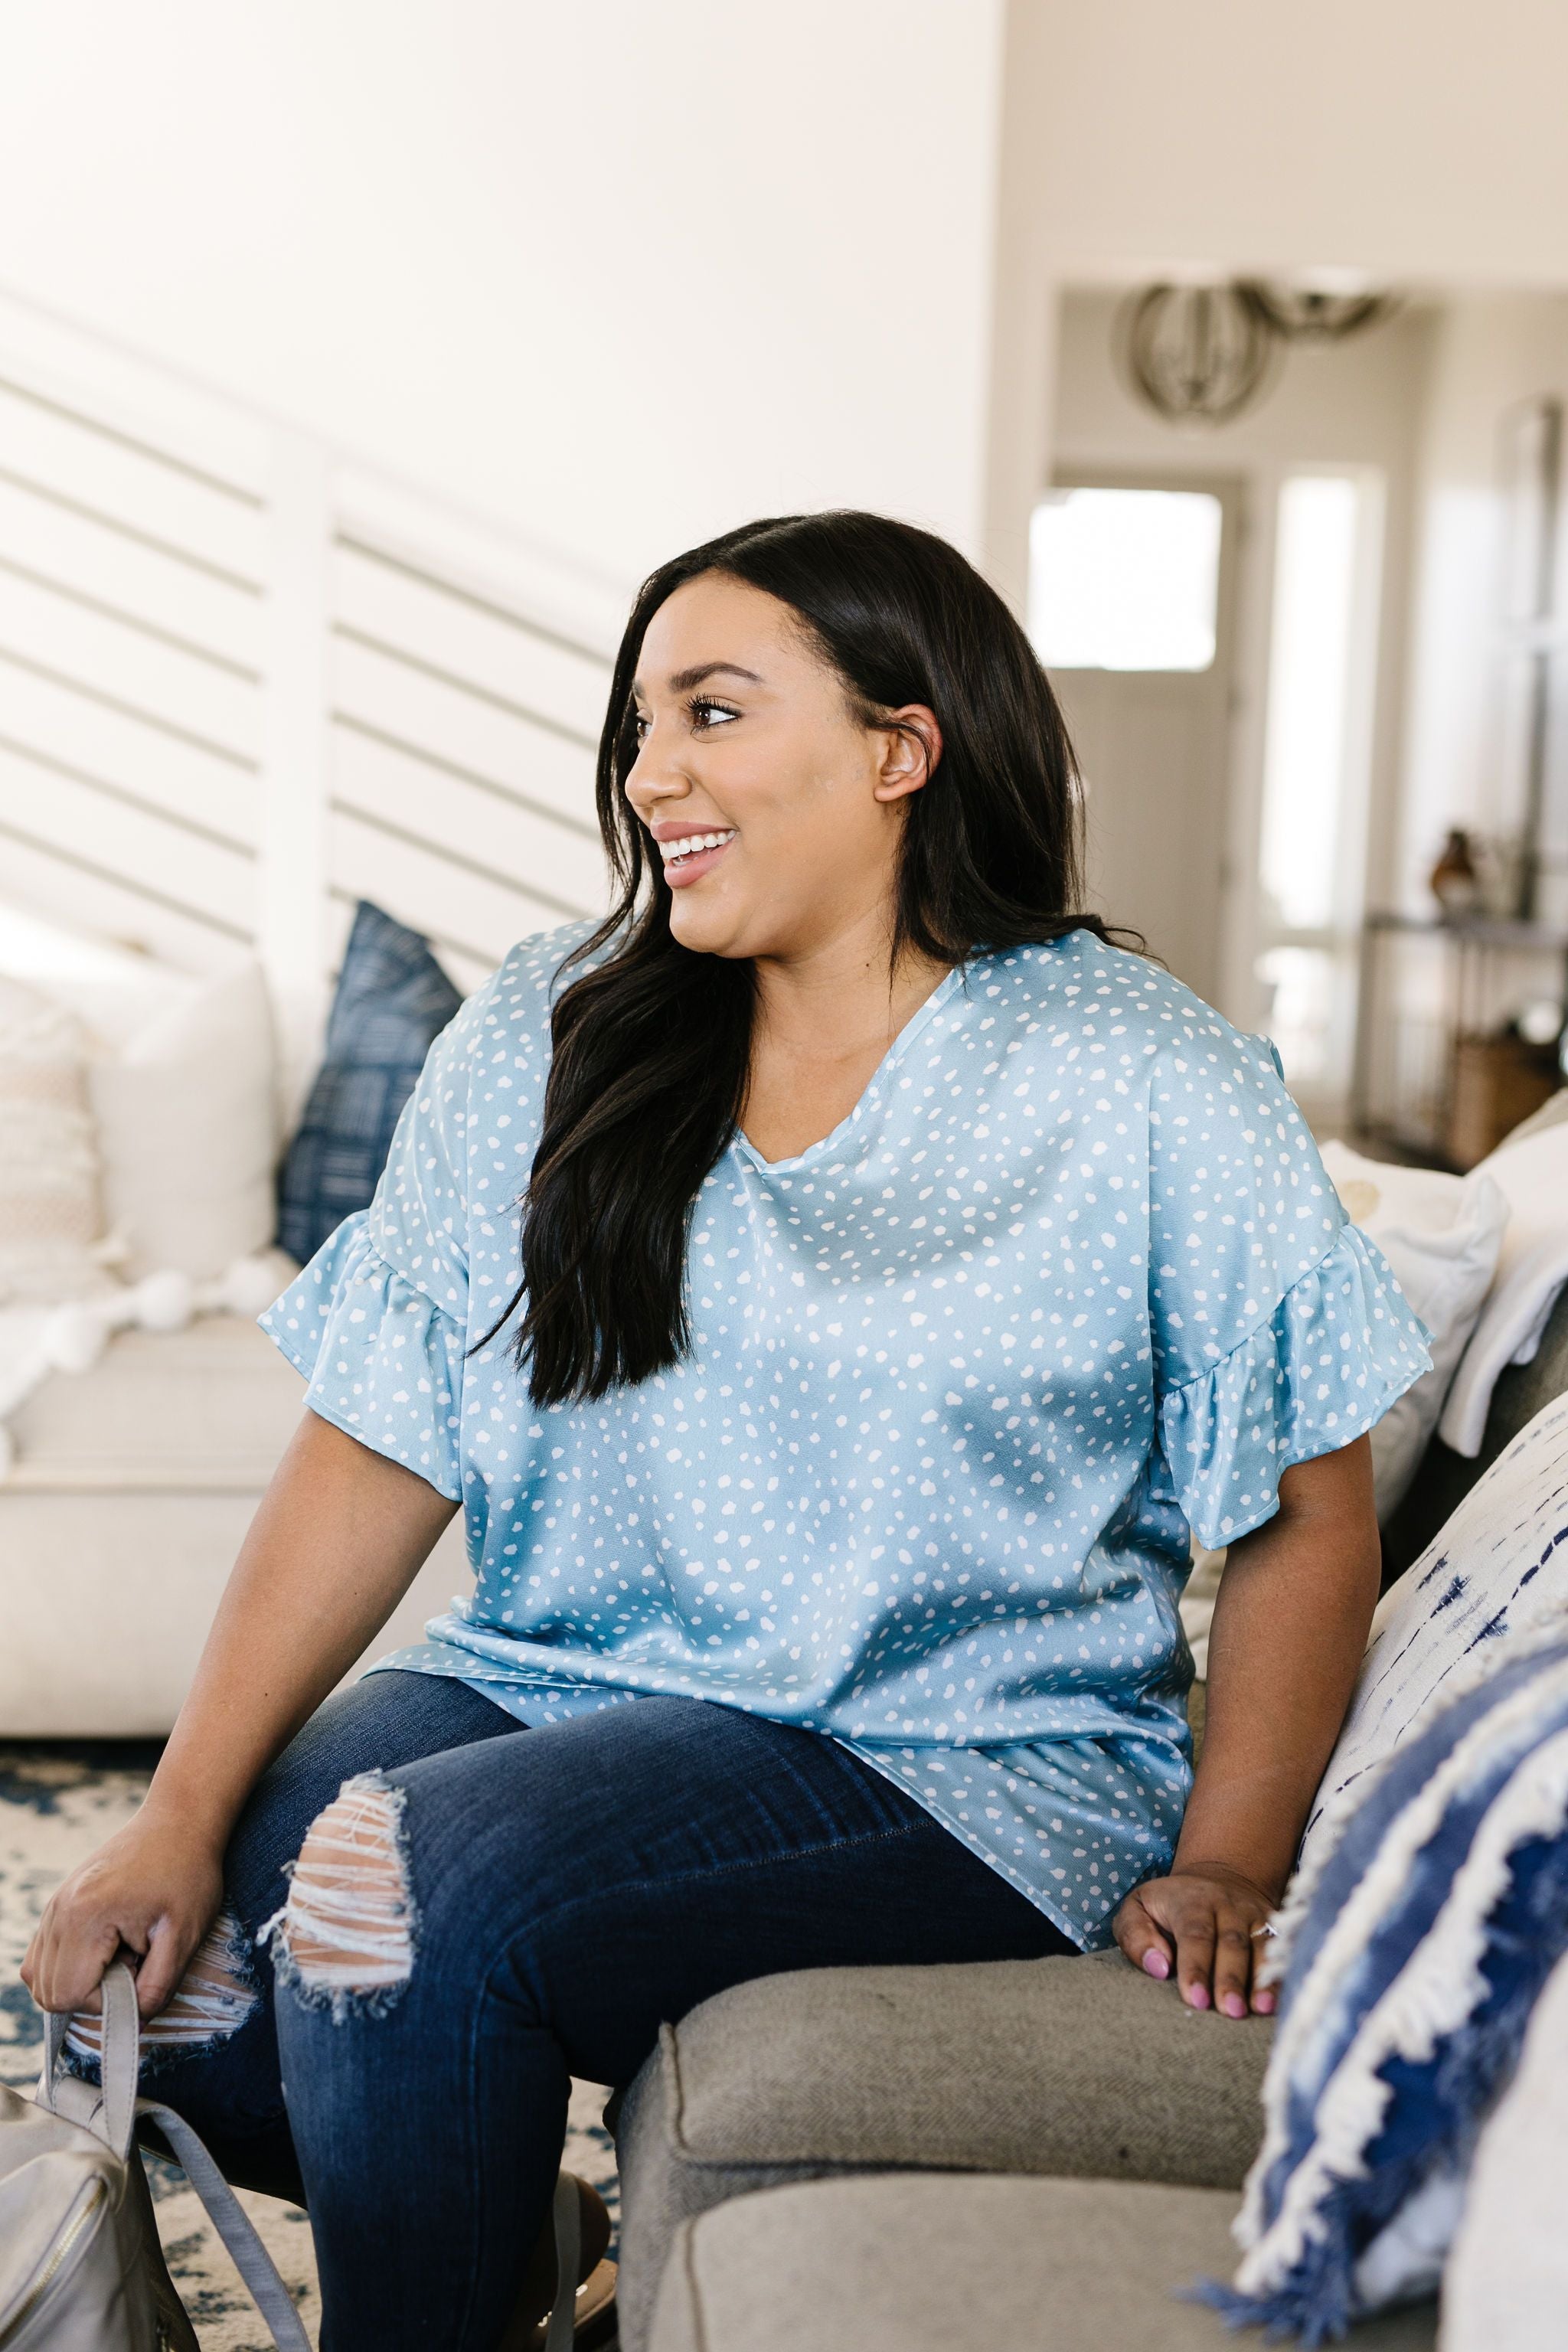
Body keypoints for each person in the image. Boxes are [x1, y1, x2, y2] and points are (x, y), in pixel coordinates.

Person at [22, 511, 1429, 2351]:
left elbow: (1306, 1507)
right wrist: (176, 1812)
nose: (649, 772)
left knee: (398, 1889)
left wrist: (1234, 1854)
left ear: (897, 749)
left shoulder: (1143, 1072)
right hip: (558, 1680)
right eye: (636, 726)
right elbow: (379, 1437)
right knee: (143, 1981)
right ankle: (499, 2224)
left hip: (955, 1747)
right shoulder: (553, 1021)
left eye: (710, 711)